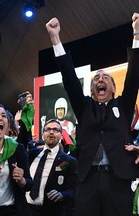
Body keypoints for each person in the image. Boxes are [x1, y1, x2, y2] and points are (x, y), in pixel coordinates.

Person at [45, 13, 139, 216]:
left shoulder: (123, 106)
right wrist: (55, 39)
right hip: (88, 180)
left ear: (113, 89)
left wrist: (137, 35)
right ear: (92, 89)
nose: (100, 80)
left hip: (118, 179)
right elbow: (69, 79)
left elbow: (133, 76)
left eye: (105, 78)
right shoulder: (85, 107)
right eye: (96, 78)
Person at [27, 119, 77, 216]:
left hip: (52, 211)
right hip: (27, 210)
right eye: (48, 129)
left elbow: (73, 189)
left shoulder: (68, 161)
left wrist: (62, 195)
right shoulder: (32, 154)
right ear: (43, 134)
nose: (51, 132)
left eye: (55, 130)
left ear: (61, 135)